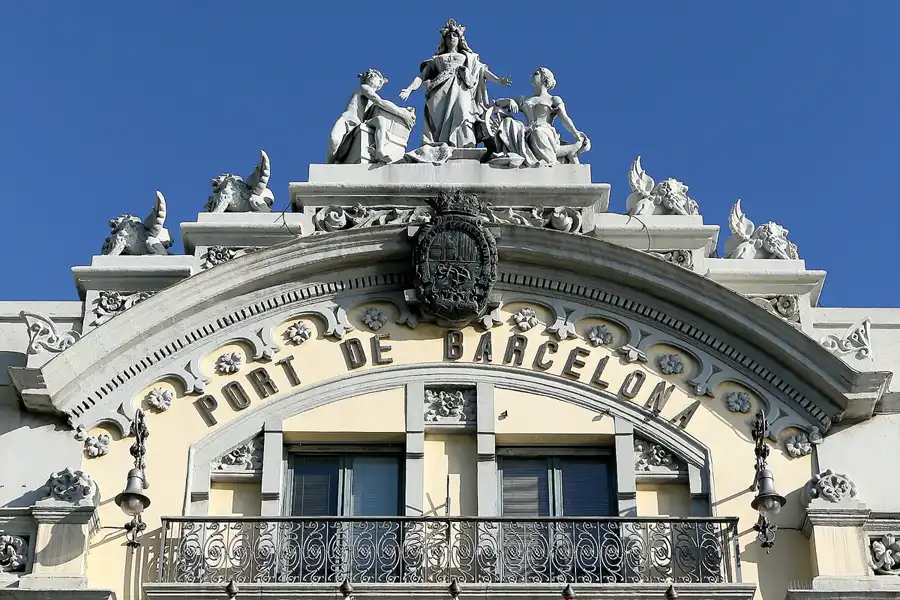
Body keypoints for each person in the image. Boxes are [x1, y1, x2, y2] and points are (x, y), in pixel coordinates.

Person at [399, 18, 511, 149]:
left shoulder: (468, 57)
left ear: (460, 39)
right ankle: (442, 145)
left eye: (455, 35)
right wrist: (409, 89)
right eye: (448, 36)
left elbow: (481, 71)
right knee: (441, 122)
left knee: (464, 113)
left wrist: (498, 80)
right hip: (439, 90)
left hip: (461, 87)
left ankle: (465, 145)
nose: (451, 38)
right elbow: (421, 78)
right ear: (444, 40)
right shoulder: (436, 59)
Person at [487, 67, 590, 167]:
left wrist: (576, 134)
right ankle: (506, 153)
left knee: (538, 132)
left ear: (544, 79)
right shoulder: (525, 99)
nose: (532, 75)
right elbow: (498, 103)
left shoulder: (553, 99)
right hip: (527, 131)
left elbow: (564, 118)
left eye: (536, 74)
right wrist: (509, 101)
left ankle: (552, 158)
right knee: (509, 122)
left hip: (545, 130)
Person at [327, 69, 416, 164]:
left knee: (380, 120)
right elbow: (381, 102)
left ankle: (379, 150)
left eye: (375, 75)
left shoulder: (373, 102)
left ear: (380, 84)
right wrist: (403, 114)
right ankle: (329, 165)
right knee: (334, 141)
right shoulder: (364, 88)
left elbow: (385, 105)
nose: (371, 75)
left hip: (359, 124)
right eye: (370, 74)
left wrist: (405, 111)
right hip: (347, 120)